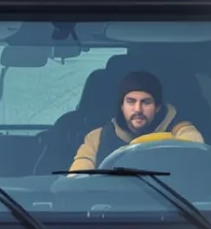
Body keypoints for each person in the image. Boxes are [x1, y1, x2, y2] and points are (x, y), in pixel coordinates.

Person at [69, 70, 203, 172]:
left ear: (157, 107)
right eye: (131, 102)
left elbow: (194, 154)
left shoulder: (180, 130)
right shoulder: (97, 138)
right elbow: (77, 179)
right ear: (122, 106)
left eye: (146, 102)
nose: (138, 109)